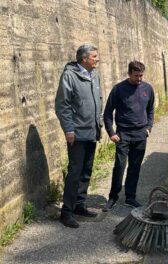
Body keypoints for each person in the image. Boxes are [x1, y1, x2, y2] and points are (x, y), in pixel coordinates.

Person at [55, 44, 102, 228]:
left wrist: (98, 123)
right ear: (84, 59)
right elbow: (62, 105)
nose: (97, 59)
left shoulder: (94, 76)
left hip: (91, 131)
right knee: (75, 172)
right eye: (94, 56)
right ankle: (66, 212)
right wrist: (69, 129)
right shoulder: (70, 75)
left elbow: (98, 100)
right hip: (77, 133)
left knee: (86, 170)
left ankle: (79, 205)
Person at [103, 61, 155, 211]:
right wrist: (111, 132)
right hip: (123, 134)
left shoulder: (147, 89)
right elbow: (108, 113)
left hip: (140, 134)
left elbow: (150, 110)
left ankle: (130, 197)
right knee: (119, 166)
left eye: (141, 75)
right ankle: (113, 197)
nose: (139, 78)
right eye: (136, 75)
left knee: (135, 166)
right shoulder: (119, 89)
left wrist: (149, 127)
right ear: (129, 73)